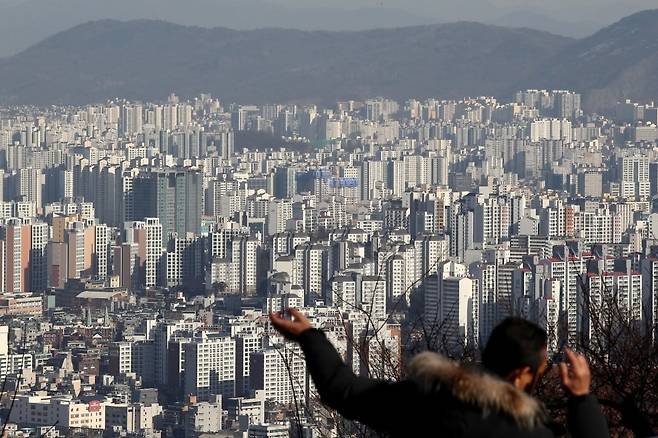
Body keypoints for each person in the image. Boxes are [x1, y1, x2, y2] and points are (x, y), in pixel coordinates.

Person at [269, 309, 609, 438]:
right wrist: (581, 399)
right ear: (522, 374)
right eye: (543, 367)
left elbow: (341, 389)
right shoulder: (530, 433)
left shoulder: (425, 400)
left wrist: (309, 336)